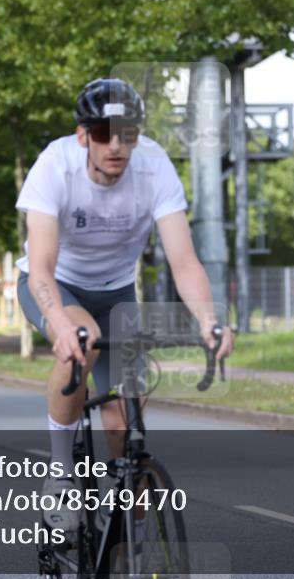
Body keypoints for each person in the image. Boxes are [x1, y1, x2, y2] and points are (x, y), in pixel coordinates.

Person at [15, 77, 234, 532]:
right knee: (83, 341)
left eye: (127, 133)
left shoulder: (154, 168)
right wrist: (59, 324)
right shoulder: (54, 166)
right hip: (58, 285)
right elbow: (41, 268)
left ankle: (123, 530)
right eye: (102, 133)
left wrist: (209, 321)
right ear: (83, 136)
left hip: (116, 291)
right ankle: (60, 473)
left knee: (122, 421)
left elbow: (184, 260)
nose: (115, 145)